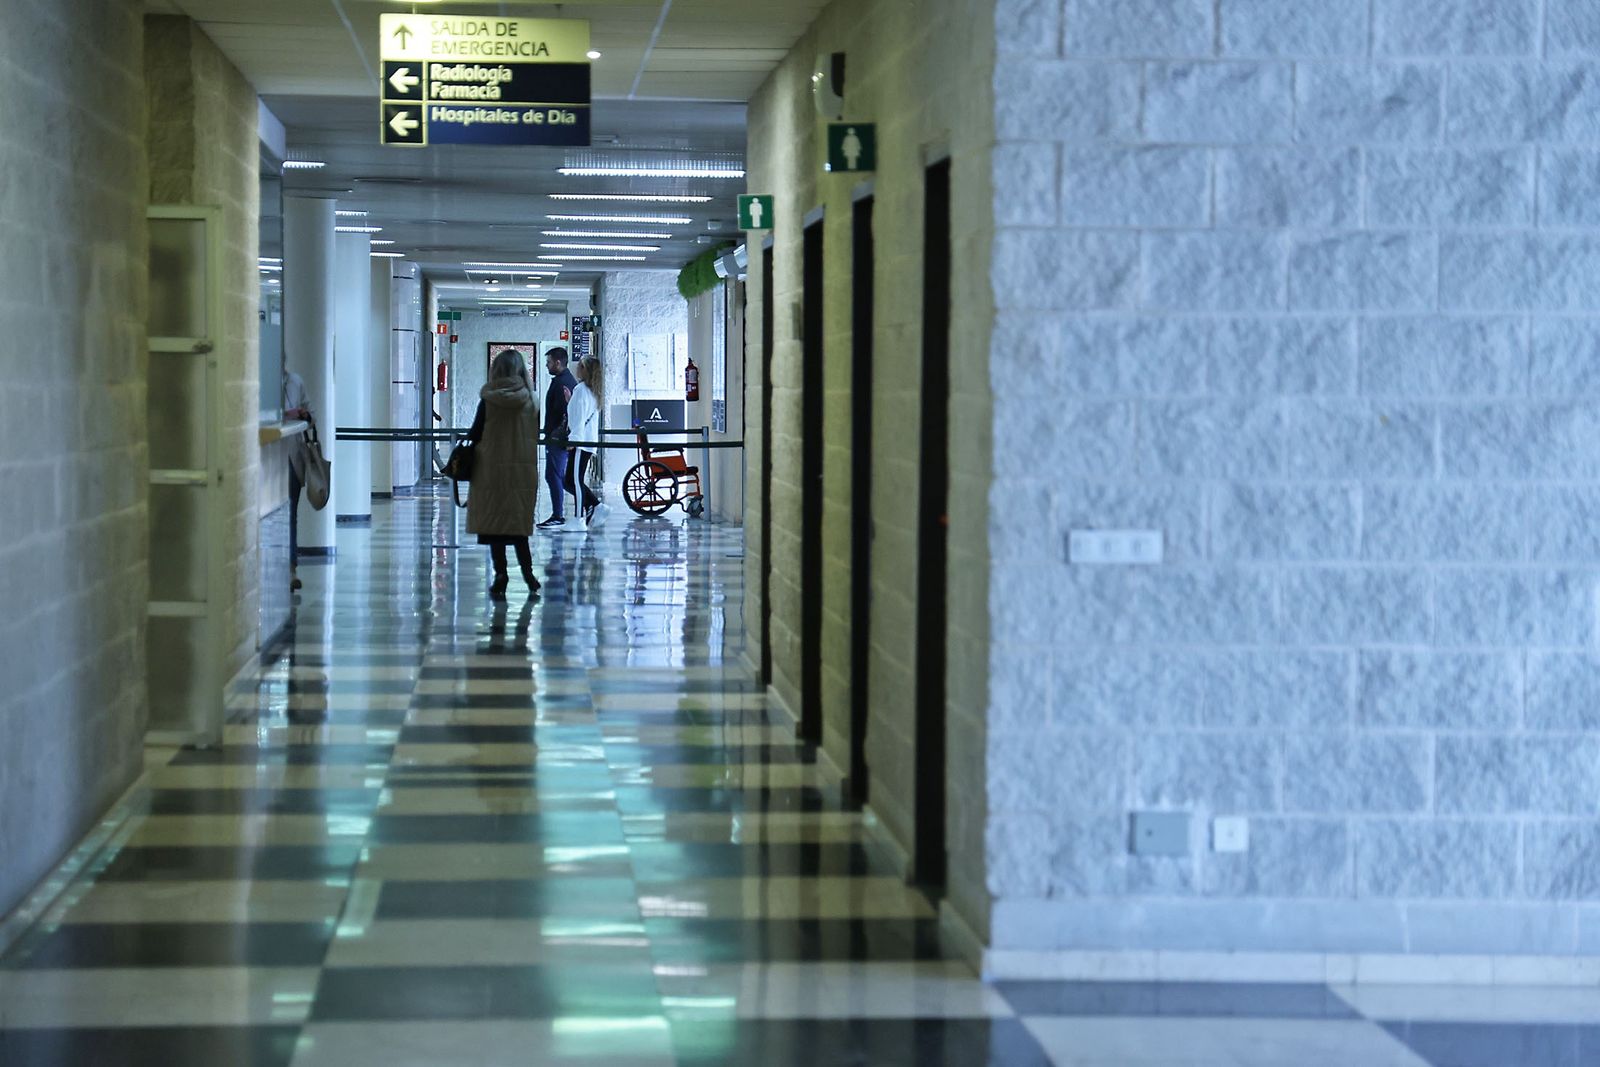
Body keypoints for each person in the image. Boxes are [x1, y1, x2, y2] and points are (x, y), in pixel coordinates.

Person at [468, 349, 542, 600]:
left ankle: (501, 575)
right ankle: (528, 575)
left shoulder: (489, 400)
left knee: (495, 526)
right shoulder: (532, 402)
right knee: (519, 526)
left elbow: (475, 434)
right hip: (522, 472)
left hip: (491, 471)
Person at [538, 346, 577, 528]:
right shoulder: (563, 380)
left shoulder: (563, 383)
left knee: (555, 476)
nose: (547, 365)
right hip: (556, 437)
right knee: (556, 476)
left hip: (558, 439)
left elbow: (564, 414)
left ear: (558, 362)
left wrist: (556, 436)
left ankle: (558, 515)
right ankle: (562, 513)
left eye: (549, 362)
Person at [564, 355, 603, 523]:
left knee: (573, 481)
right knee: (571, 480)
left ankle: (581, 517)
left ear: (585, 370)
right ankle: (595, 507)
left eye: (580, 365)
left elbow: (578, 419)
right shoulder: (593, 391)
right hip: (587, 441)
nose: (576, 368)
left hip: (581, 442)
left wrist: (573, 440)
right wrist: (570, 401)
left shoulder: (581, 389)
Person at [283, 368, 311, 591]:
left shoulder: (295, 381)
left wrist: (303, 415)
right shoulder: (260, 380)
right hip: (269, 457)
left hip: (292, 457)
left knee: (291, 513)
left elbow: (311, 416)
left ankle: (291, 569)